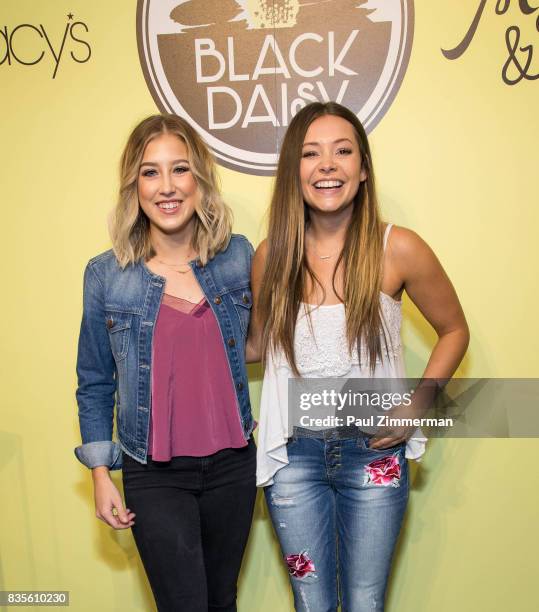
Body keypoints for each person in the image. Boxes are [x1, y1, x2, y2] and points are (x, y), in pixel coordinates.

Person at [248, 102, 469, 612]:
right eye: (311, 153)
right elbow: (257, 347)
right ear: (293, 172)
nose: (327, 164)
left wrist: (419, 404)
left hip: (374, 451)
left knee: (366, 603)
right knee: (311, 603)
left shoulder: (399, 248)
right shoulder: (270, 255)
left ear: (363, 168)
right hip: (292, 457)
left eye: (343, 151)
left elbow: (454, 329)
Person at [74, 114, 257, 612]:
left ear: (200, 180)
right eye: (150, 172)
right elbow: (94, 381)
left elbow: (271, 344)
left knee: (221, 600)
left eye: (180, 169)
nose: (167, 187)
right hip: (154, 474)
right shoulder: (107, 275)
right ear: (134, 185)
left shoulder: (239, 258)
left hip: (234, 467)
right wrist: (99, 473)